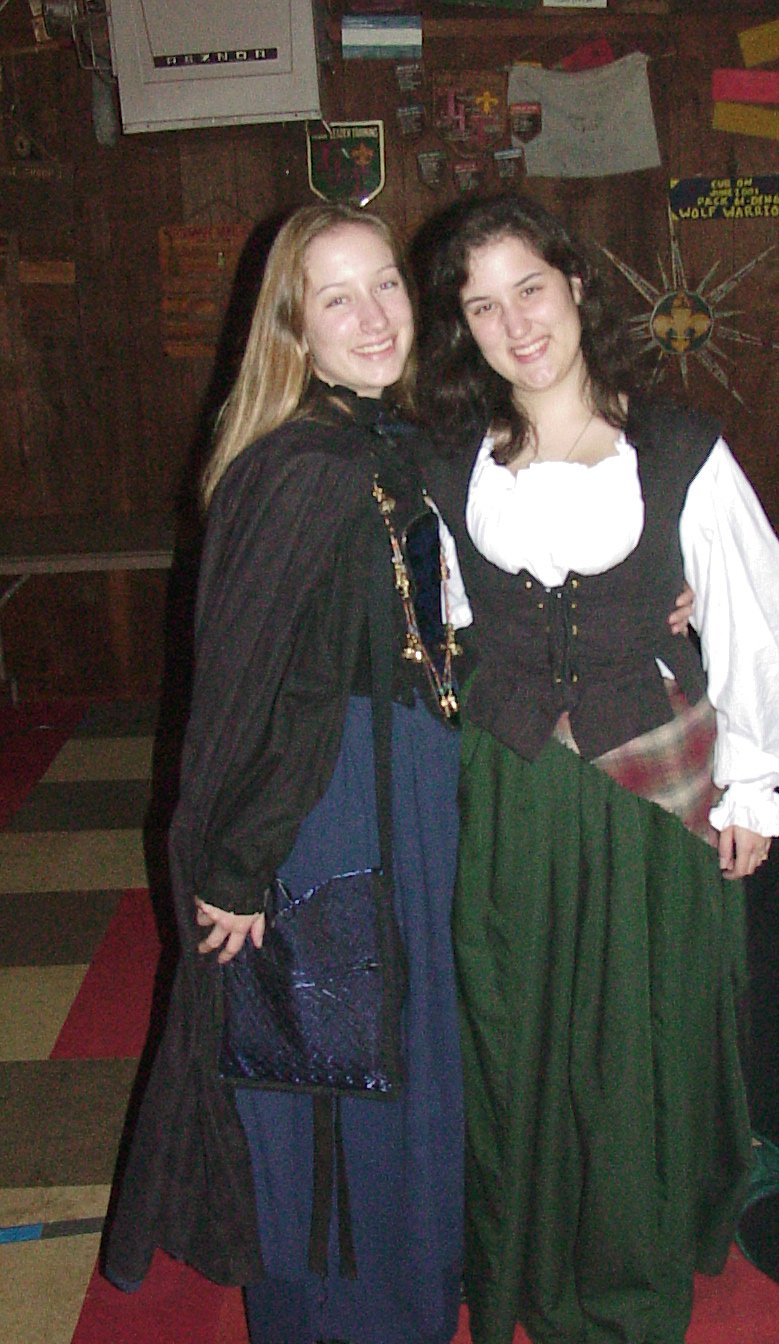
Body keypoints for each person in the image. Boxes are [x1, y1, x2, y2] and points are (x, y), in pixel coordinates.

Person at [415, 193, 779, 1344]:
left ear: (574, 286)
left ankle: (629, 1271)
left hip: (647, 789)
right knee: (514, 1021)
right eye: (482, 306)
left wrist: (755, 785)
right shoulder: (450, 466)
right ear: (463, 327)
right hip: (511, 788)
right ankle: (525, 1249)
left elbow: (750, 613)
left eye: (529, 290)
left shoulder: (679, 449)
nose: (515, 324)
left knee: (639, 1030)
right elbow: (445, 618)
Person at [102, 203, 464, 1344]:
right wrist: (240, 862)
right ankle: (342, 1319)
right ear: (294, 329)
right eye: (336, 298)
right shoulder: (300, 467)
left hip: (407, 788)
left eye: (386, 284)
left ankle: (403, 1297)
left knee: (400, 1052)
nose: (374, 316)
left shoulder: (387, 440)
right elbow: (265, 693)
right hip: (328, 806)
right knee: (331, 1065)